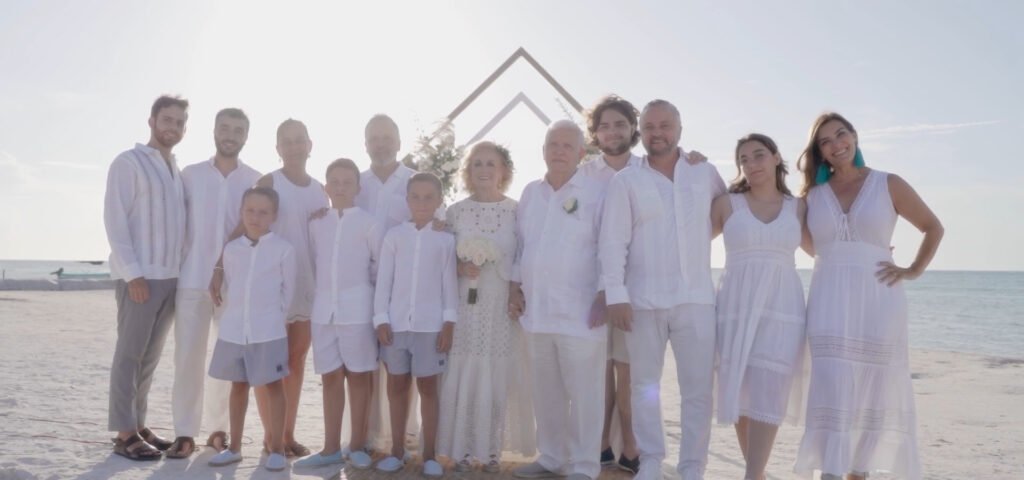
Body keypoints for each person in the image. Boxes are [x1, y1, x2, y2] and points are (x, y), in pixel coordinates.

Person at [794, 113, 943, 480]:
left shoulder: (887, 183)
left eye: (841, 134)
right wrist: (847, 257)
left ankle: (857, 471)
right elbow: (813, 247)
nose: (836, 144)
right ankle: (830, 469)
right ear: (819, 152)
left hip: (879, 299)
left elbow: (932, 227)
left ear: (855, 137)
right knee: (831, 382)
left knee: (874, 388)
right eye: (825, 141)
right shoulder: (812, 196)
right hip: (828, 300)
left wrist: (913, 269)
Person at [600, 99, 726, 480]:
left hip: (696, 301)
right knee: (644, 386)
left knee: (698, 391)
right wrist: (616, 295)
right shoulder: (627, 181)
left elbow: (725, 214)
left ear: (680, 128)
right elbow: (612, 241)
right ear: (642, 130)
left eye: (666, 125)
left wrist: (693, 244)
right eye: (651, 126)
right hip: (643, 301)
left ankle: (692, 468)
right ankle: (651, 461)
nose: (658, 133)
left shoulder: (704, 172)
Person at [511, 120, 607, 480]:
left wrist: (606, 293)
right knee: (545, 392)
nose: (559, 151)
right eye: (553, 144)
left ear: (582, 153)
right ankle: (551, 457)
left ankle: (583, 467)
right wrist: (513, 287)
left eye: (568, 145)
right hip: (536, 312)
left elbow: (608, 247)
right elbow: (521, 247)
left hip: (581, 313)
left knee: (584, 395)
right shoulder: (530, 193)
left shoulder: (598, 191)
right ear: (543, 150)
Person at [710, 133, 808, 480]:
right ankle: (758, 473)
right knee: (740, 388)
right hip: (735, 305)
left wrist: (871, 253)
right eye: (744, 159)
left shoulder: (799, 206)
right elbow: (687, 243)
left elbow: (824, 248)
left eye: (759, 155)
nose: (752, 164)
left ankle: (752, 475)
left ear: (776, 157)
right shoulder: (726, 204)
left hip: (782, 307)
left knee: (770, 387)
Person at [168, 107, 261, 458]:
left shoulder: (255, 179)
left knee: (225, 361)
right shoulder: (189, 175)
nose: (231, 135)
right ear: (214, 131)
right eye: (225, 128)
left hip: (234, 285)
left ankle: (218, 429)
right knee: (188, 358)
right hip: (192, 278)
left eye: (238, 130)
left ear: (246, 136)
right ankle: (184, 432)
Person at [437, 141, 535, 472]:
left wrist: (515, 291)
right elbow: (439, 256)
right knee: (464, 369)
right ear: (468, 171)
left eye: (490, 163)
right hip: (465, 303)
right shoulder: (455, 211)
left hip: (501, 305)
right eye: (477, 163)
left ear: (503, 171)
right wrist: (460, 268)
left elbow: (524, 255)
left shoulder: (517, 210)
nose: (483, 170)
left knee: (496, 374)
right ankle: (462, 449)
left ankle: (490, 451)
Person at [104, 94, 188, 461]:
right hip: (140, 277)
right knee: (129, 355)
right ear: (152, 121)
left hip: (171, 278)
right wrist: (133, 274)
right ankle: (125, 433)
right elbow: (115, 221)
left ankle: (138, 422)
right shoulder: (129, 162)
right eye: (167, 120)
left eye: (180, 122)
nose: (173, 127)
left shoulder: (175, 170)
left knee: (150, 358)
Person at [295, 158, 381, 470]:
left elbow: (378, 268)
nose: (341, 187)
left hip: (358, 310)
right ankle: (330, 447)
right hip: (323, 312)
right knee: (330, 377)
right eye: (335, 182)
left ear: (358, 188)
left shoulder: (370, 223)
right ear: (326, 187)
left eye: (348, 182)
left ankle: (357, 445)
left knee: (358, 377)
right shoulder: (317, 222)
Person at [372, 172, 458, 477]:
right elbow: (384, 282)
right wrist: (380, 318)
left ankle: (430, 454)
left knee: (429, 388)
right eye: (416, 197)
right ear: (407, 200)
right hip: (396, 325)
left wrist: (449, 322)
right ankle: (397, 450)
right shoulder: (394, 236)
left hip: (430, 326)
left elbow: (449, 284)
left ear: (438, 201)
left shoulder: (445, 239)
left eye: (428, 197)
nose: (421, 203)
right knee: (396, 385)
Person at [206, 187, 295, 472]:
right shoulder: (231, 250)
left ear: (273, 216)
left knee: (273, 386)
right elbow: (231, 284)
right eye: (250, 211)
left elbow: (288, 293)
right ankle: (235, 448)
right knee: (238, 386)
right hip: (234, 330)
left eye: (263, 212)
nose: (255, 217)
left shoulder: (283, 249)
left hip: (268, 331)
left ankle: (277, 448)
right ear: (242, 212)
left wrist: (271, 319)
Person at [580, 94, 642, 474]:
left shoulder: (647, 168)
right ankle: (600, 443)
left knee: (629, 369)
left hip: (633, 286)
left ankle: (632, 446)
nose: (612, 131)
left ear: (632, 128)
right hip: (588, 285)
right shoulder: (584, 174)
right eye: (604, 125)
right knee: (598, 369)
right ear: (595, 133)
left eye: (620, 123)